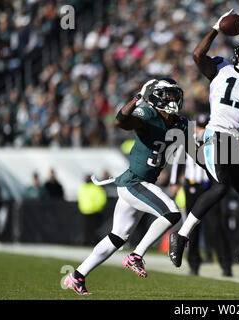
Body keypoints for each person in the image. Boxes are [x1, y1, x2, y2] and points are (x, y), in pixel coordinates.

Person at [168, 9, 239, 280]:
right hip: (216, 136)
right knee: (221, 186)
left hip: (235, 142)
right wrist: (216, 27)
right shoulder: (220, 68)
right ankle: (181, 236)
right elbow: (197, 55)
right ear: (236, 54)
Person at [64, 78, 189, 295]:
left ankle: (77, 276)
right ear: (157, 95)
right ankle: (136, 255)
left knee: (117, 237)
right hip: (135, 183)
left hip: (141, 184)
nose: (173, 99)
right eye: (168, 94)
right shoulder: (148, 115)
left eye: (175, 94)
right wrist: (137, 98)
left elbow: (193, 147)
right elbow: (121, 121)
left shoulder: (180, 123)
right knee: (172, 213)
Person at [170, 113, 232, 277]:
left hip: (209, 187)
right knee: (192, 230)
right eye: (198, 127)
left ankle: (226, 265)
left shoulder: (213, 141)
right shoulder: (188, 141)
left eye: (203, 127)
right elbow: (178, 161)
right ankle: (194, 265)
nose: (200, 130)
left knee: (215, 227)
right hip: (191, 187)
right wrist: (175, 182)